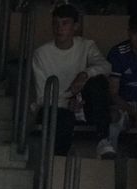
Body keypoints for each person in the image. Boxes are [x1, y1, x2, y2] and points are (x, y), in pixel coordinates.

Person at [29, 4, 109, 157]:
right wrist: (68, 103)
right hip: (54, 108)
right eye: (56, 24)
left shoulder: (86, 46)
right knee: (63, 118)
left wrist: (85, 74)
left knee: (98, 82)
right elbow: (42, 98)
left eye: (65, 23)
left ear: (76, 26)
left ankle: (103, 139)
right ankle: (58, 162)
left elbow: (105, 66)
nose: (60, 28)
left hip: (81, 104)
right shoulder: (41, 54)